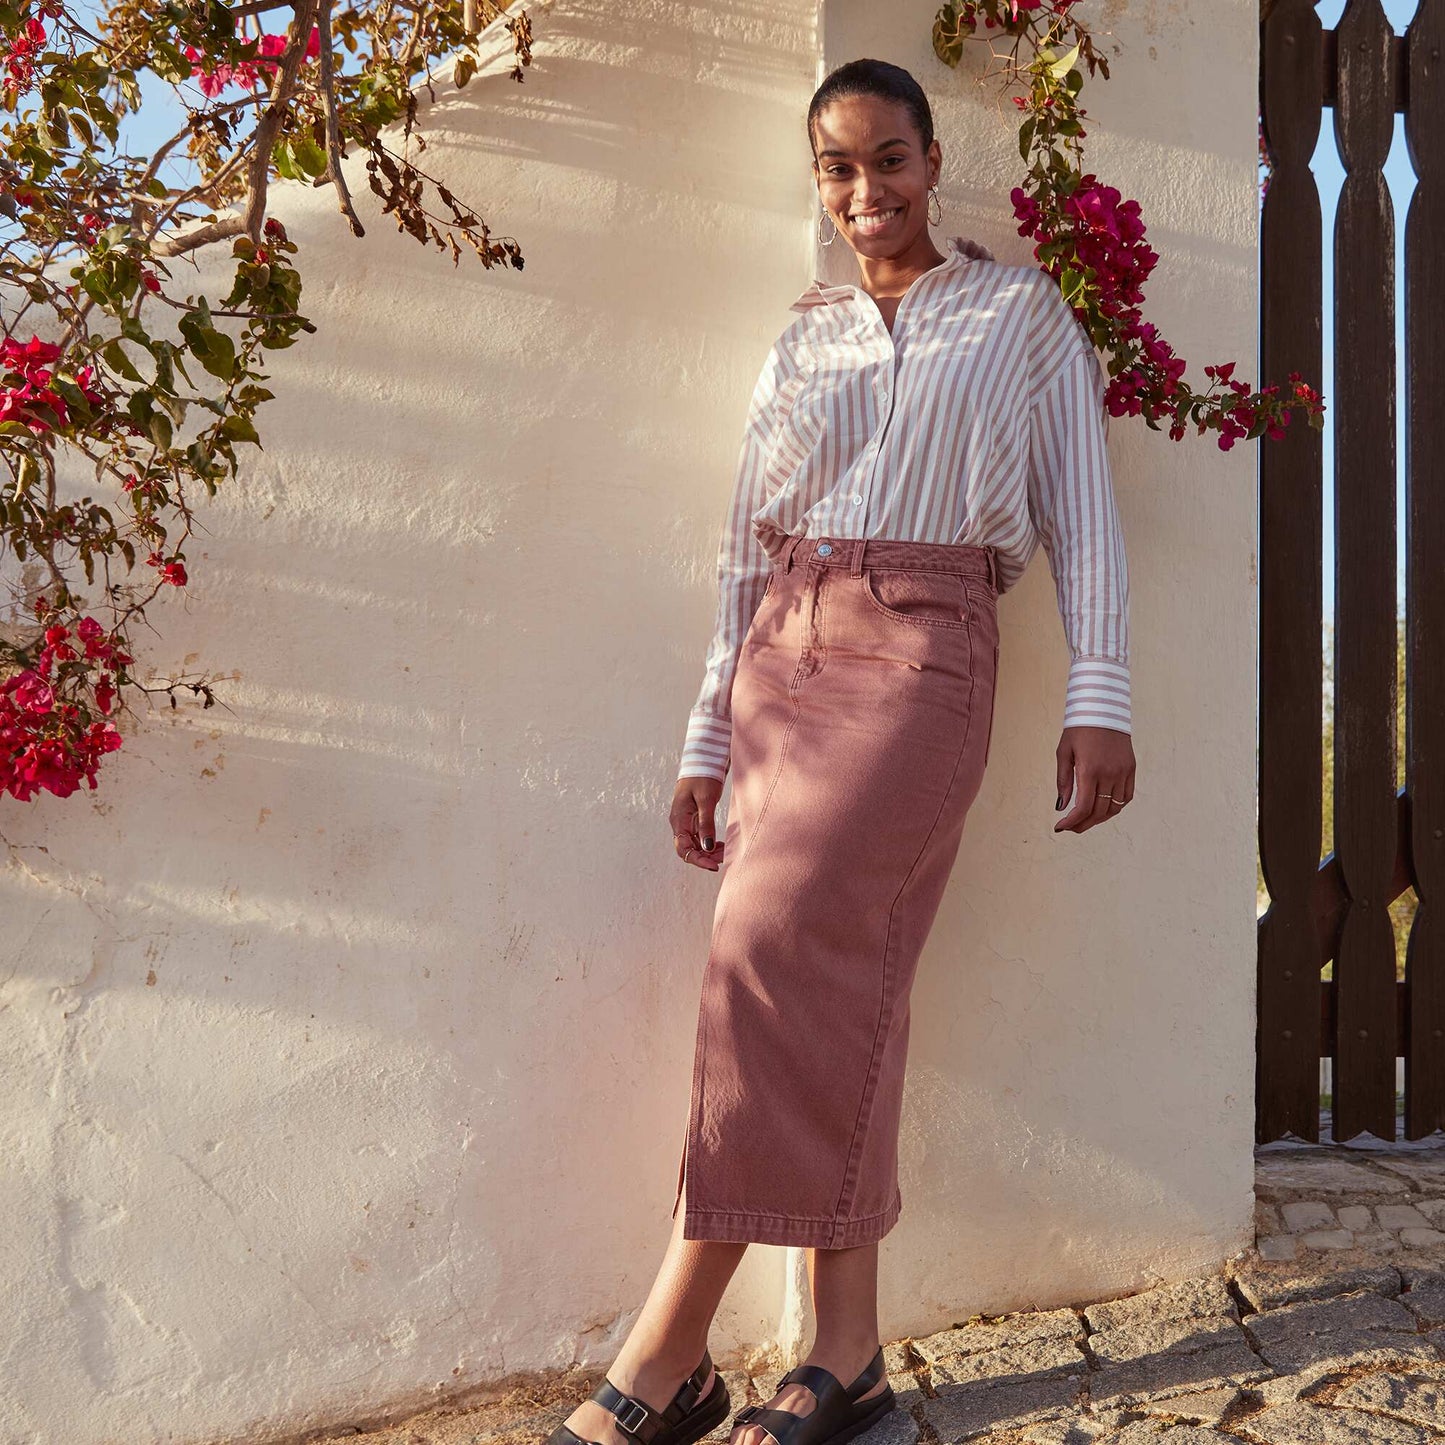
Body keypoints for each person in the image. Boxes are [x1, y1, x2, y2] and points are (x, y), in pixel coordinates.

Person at [548, 56, 1136, 1445]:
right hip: (782, 654)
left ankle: (667, 1345)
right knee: (827, 971)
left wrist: (1097, 692)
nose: (862, 188)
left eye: (887, 158)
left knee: (777, 945)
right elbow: (737, 550)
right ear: (815, 183)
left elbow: (1084, 514)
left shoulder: (1016, 314)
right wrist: (706, 727)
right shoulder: (801, 334)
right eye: (835, 166)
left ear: (932, 161)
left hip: (925, 650)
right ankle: (845, 1356)